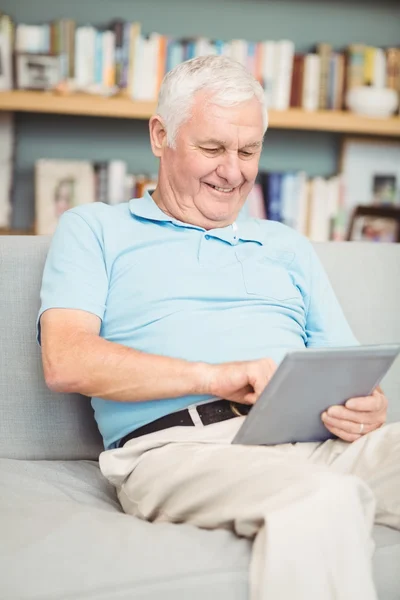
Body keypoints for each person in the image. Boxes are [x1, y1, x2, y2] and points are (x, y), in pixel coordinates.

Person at [37, 56, 398, 600]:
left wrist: (366, 406)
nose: (234, 172)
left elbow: (348, 371)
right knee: (324, 499)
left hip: (311, 441)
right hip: (180, 449)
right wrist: (215, 376)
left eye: (248, 151)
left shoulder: (287, 246)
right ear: (162, 136)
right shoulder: (94, 230)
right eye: (213, 148)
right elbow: (65, 360)